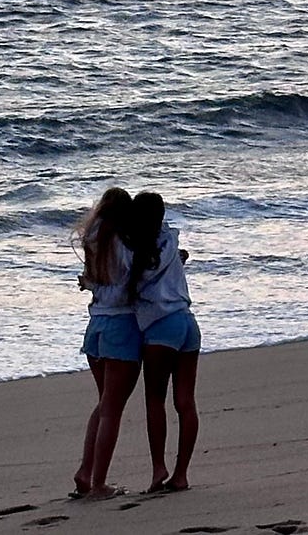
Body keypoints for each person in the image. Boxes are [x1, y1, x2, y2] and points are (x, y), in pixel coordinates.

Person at [125, 191, 200, 494]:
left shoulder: (135, 250)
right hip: (187, 322)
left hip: (160, 327)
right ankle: (181, 473)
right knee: (185, 401)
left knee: (155, 399)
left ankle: (159, 468)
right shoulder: (171, 242)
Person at [73, 187, 142, 500]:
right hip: (121, 326)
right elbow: (131, 282)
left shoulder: (94, 241)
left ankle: (86, 471)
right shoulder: (124, 244)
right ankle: (99, 483)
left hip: (96, 326)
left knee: (103, 405)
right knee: (112, 409)